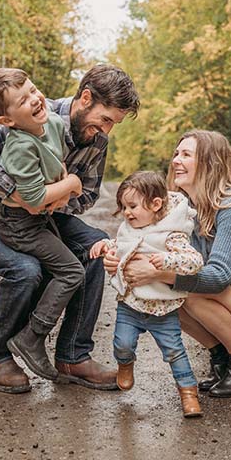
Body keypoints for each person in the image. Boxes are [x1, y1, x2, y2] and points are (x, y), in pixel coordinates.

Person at [0, 64, 139, 393]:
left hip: (41, 215)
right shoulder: (33, 114)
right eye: (105, 119)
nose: (106, 130)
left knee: (96, 246)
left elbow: (88, 196)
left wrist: (55, 197)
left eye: (113, 124)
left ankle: (73, 357)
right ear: (85, 99)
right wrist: (16, 193)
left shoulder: (97, 143)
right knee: (26, 269)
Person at [104, 130, 231, 398]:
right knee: (167, 298)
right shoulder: (184, 211)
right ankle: (222, 357)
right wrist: (118, 259)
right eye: (176, 153)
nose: (176, 160)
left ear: (211, 163)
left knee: (184, 290)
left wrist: (158, 273)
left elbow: (218, 276)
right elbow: (149, 244)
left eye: (186, 154)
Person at [0, 68, 85, 383]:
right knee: (71, 271)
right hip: (19, 224)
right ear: (7, 120)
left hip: (40, 217)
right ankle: (31, 337)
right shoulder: (19, 147)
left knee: (66, 267)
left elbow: (58, 158)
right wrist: (73, 184)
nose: (36, 100)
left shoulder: (51, 122)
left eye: (34, 90)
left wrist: (63, 179)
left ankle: (36, 338)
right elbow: (34, 198)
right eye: (23, 101)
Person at [90, 171, 204, 417]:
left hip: (162, 309)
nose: (127, 212)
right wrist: (106, 246)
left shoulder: (172, 234)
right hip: (130, 305)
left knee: (174, 351)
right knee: (122, 343)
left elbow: (194, 262)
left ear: (156, 204)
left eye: (132, 206)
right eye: (123, 207)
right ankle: (125, 364)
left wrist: (167, 260)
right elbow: (122, 246)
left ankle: (188, 393)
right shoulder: (129, 227)